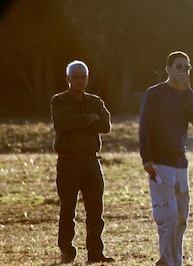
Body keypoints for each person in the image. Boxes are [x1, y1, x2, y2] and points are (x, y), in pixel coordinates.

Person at [139, 51, 193, 266]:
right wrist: (147, 159)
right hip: (159, 163)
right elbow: (145, 127)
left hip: (180, 163)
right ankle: (165, 260)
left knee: (181, 218)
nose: (182, 71)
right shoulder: (154, 94)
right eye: (178, 67)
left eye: (186, 68)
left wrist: (188, 91)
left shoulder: (186, 95)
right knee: (167, 215)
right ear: (168, 69)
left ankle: (175, 261)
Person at [51, 60, 115, 264]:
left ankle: (95, 252)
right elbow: (67, 123)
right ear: (68, 79)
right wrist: (89, 119)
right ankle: (67, 250)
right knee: (68, 209)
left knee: (96, 210)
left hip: (91, 162)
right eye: (75, 77)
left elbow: (105, 125)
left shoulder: (95, 101)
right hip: (68, 162)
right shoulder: (59, 101)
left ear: (87, 78)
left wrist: (85, 120)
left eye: (82, 77)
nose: (79, 81)